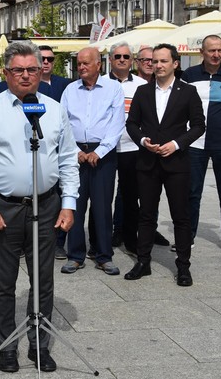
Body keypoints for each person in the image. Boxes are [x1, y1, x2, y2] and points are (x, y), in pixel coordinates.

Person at [0, 41, 79, 373]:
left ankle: (39, 345)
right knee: (3, 283)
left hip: (47, 205)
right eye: (19, 70)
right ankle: (6, 347)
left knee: (43, 281)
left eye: (33, 69)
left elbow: (68, 160)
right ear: (6, 72)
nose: (26, 76)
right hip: (5, 206)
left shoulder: (54, 109)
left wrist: (68, 203)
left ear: (41, 71)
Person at [124, 43, 205, 287]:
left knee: (181, 216)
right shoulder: (143, 91)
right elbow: (131, 123)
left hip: (176, 163)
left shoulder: (188, 91)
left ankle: (183, 266)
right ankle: (143, 262)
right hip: (148, 162)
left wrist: (177, 144)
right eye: (154, 61)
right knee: (146, 215)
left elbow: (199, 126)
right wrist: (142, 141)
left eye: (163, 61)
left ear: (175, 64)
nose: (157, 65)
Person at [59, 47, 125, 276]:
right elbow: (63, 122)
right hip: (75, 151)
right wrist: (75, 150)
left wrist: (101, 151)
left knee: (102, 206)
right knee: (75, 205)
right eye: (79, 63)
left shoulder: (113, 88)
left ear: (99, 64)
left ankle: (104, 255)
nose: (81, 67)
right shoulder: (70, 90)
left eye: (86, 63)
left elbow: (117, 123)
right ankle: (75, 256)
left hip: (103, 153)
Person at [181, 35, 221, 256]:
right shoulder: (189, 75)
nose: (216, 54)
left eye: (220, 50)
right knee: (192, 192)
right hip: (195, 142)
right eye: (211, 50)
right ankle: (187, 236)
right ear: (202, 52)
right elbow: (180, 105)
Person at [107, 42, 161, 256]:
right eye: (117, 56)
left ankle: (130, 238)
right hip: (105, 148)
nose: (122, 60)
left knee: (130, 196)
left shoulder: (141, 84)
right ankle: (105, 236)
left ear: (132, 61)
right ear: (110, 59)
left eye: (126, 57)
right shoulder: (101, 83)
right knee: (103, 197)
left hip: (132, 147)